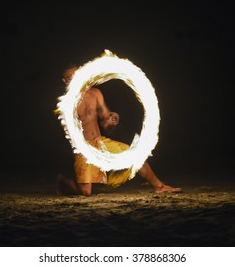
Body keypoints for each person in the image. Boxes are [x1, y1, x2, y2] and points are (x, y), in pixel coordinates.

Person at [56, 64, 182, 196]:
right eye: (71, 77)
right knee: (86, 193)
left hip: (100, 142)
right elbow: (69, 132)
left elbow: (105, 118)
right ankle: (63, 180)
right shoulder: (65, 103)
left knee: (135, 157)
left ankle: (159, 186)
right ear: (65, 81)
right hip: (83, 149)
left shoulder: (95, 93)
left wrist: (112, 118)